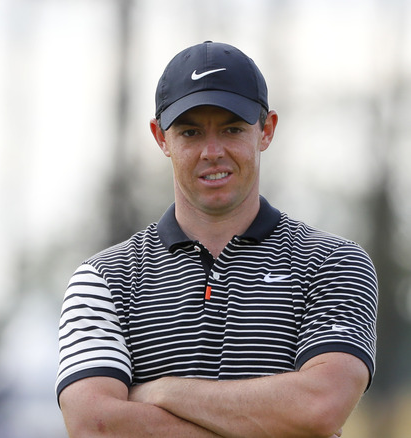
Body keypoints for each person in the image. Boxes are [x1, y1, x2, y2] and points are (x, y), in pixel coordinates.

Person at [56, 41, 377, 437]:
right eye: (190, 132)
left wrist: (161, 391)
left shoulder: (334, 262)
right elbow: (96, 425)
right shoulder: (103, 279)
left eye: (232, 129)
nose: (212, 151)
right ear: (161, 138)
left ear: (267, 130)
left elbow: (319, 406)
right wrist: (274, 419)